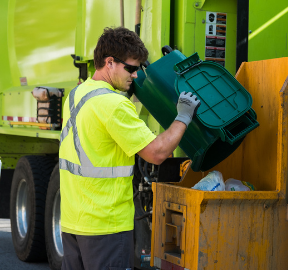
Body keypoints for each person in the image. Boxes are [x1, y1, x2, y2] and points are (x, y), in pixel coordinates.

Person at [59, 27, 200, 270]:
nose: (135, 75)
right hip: (106, 226)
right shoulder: (113, 104)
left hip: (74, 223)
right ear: (110, 62)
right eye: (131, 69)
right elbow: (157, 153)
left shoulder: (77, 94)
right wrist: (184, 116)